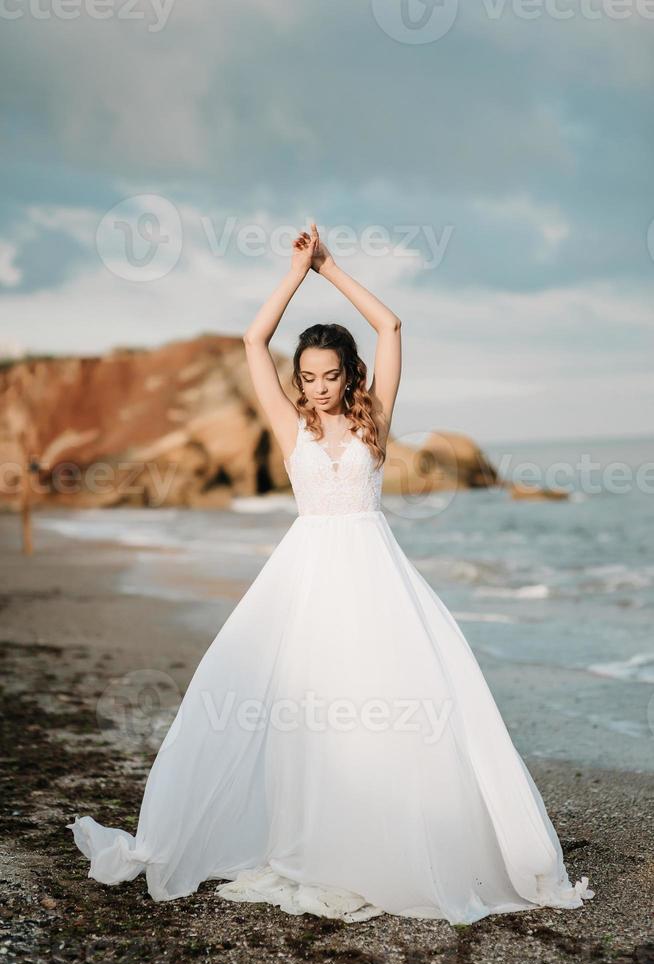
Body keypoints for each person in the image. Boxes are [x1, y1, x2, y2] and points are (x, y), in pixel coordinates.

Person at [66, 223, 594, 924]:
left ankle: (385, 845)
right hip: (305, 578)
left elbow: (391, 323)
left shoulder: (375, 418)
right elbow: (254, 343)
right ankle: (309, 839)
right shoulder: (294, 429)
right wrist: (292, 274)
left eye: (330, 376)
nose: (317, 389)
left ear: (353, 377)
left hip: (377, 580)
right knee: (305, 712)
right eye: (308, 377)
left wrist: (330, 267)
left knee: (384, 707)